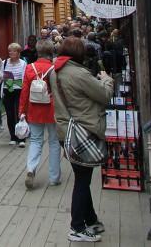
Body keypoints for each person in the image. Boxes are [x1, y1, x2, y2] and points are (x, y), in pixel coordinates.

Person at [54, 36, 115, 242]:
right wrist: (106, 78)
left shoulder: (55, 71)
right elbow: (104, 95)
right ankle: (77, 228)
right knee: (82, 180)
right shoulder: (79, 74)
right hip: (83, 130)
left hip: (66, 131)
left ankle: (91, 220)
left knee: (82, 176)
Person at [20, 39, 62, 189]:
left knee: (36, 141)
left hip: (34, 107)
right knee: (54, 143)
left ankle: (31, 169)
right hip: (52, 108)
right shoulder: (55, 68)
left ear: (38, 52)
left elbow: (24, 91)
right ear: (51, 52)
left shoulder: (30, 68)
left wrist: (21, 111)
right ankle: (54, 177)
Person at [0, 43, 27, 147]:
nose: (11, 53)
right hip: (8, 89)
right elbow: (0, 75)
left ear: (18, 53)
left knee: (19, 113)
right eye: (10, 51)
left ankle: (22, 138)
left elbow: (25, 77)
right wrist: (4, 76)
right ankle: (13, 137)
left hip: (19, 90)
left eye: (14, 51)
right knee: (10, 114)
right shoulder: (5, 62)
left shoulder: (22, 63)